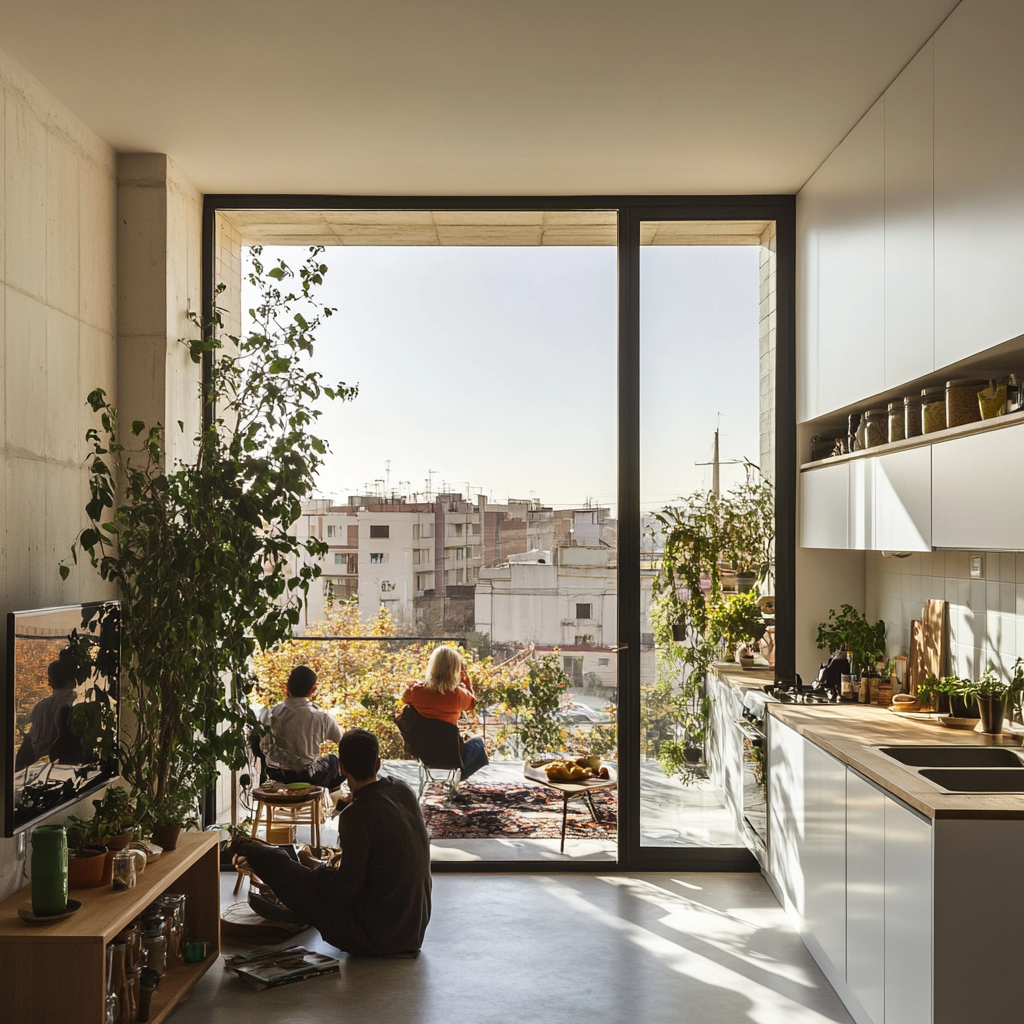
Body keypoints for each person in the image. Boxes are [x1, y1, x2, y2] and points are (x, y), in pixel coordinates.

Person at [234, 728, 432, 956]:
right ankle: (297, 913)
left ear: (341, 767)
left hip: (377, 939)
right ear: (378, 763)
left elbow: (344, 889)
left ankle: (251, 851)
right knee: (310, 876)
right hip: (412, 932)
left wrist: (316, 873)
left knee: (282, 868)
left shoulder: (357, 814)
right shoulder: (402, 789)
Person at [401, 645, 489, 780]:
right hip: (451, 754)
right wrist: (465, 679)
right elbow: (472, 703)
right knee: (479, 744)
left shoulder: (417, 691)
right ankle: (457, 777)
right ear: (455, 669)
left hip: (424, 751)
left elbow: (404, 699)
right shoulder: (459, 695)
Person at [258, 665, 343, 791]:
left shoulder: (270, 714)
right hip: (307, 776)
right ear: (312, 689)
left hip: (275, 776)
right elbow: (343, 742)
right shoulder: (323, 716)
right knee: (335, 761)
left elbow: (262, 744)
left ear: (286, 686)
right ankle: (324, 797)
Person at [14, 650, 79, 770]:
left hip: (35, 762)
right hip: (57, 767)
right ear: (72, 681)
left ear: (50, 681)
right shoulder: (73, 705)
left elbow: (34, 734)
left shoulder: (41, 705)